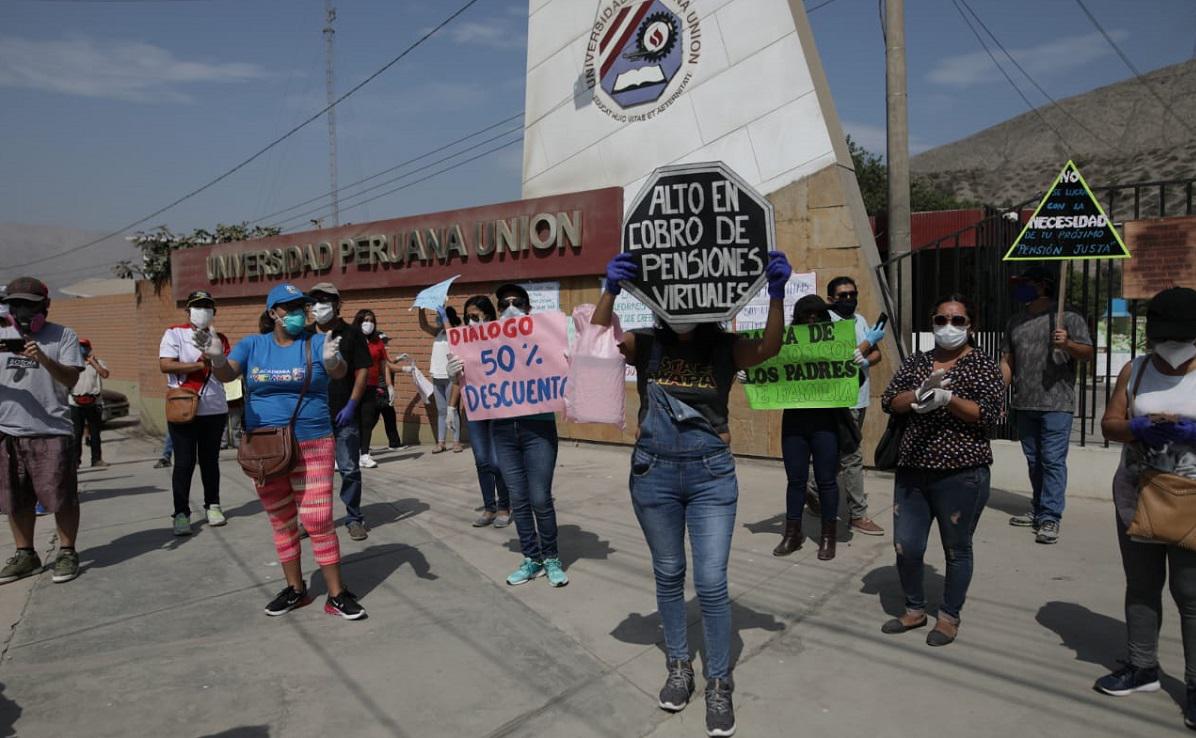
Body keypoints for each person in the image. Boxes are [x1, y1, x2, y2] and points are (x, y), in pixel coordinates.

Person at [593, 250, 792, 737]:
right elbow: (596, 340)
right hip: (653, 474)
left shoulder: (724, 347)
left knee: (710, 583)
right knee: (668, 574)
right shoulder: (644, 344)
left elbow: (769, 347)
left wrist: (776, 294)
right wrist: (610, 289)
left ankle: (719, 681)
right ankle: (679, 667)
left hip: (710, 477)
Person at [204, 282, 365, 620]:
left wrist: (333, 360)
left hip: (314, 440)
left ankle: (336, 594)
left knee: (318, 518)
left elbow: (339, 371)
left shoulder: (318, 342)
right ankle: (296, 590)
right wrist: (216, 358)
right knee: (281, 521)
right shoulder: (253, 345)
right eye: (289, 308)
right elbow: (226, 374)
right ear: (273, 312)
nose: (298, 314)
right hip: (265, 446)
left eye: (301, 308)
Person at [1096, 287, 1196, 729]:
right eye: (1165, 337)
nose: (1172, 347)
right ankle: (1143, 668)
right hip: (1136, 498)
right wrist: (1135, 428)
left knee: (1192, 596)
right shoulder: (1134, 370)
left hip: (1191, 502)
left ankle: (1195, 686)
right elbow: (1109, 424)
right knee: (1141, 586)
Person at [879, 294, 1004, 647]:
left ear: (971, 326)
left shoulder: (982, 365)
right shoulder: (917, 362)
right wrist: (917, 395)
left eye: (958, 321)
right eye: (941, 320)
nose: (948, 327)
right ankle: (914, 609)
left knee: (957, 548)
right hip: (912, 471)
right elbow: (891, 400)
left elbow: (988, 414)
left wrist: (949, 401)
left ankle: (949, 616)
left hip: (962, 473)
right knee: (907, 545)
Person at [1001, 265, 1094, 544]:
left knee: (1052, 460)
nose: (1019, 288)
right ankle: (1039, 508)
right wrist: (995, 390)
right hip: (1024, 402)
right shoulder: (1015, 321)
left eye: (1025, 282)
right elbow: (1008, 360)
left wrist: (1067, 344)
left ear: (1042, 285)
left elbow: (1087, 352)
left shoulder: (1070, 316)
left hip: (1057, 402)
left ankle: (1051, 516)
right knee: (1034, 461)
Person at [0, 277, 84, 585]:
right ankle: (26, 555)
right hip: (7, 430)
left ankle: (67, 551)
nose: (22, 311)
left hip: (51, 429)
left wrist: (43, 359)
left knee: (61, 497)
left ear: (45, 306)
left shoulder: (63, 335)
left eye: (29, 305)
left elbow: (72, 380)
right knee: (15, 500)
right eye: (16, 305)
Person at [486, 283, 569, 588]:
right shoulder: (485, 344)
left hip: (539, 428)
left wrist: (564, 356)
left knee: (540, 498)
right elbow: (476, 382)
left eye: (518, 302)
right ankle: (531, 558)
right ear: (497, 311)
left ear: (528, 308)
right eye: (505, 303)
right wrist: (461, 369)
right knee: (519, 500)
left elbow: (562, 370)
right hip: (504, 430)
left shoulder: (545, 338)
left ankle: (551, 558)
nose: (511, 307)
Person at [775, 295, 857, 560]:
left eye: (816, 314)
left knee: (826, 480)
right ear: (797, 318)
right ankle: (792, 533)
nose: (811, 318)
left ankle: (827, 536)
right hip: (795, 421)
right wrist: (750, 374)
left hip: (826, 422)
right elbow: (769, 366)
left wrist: (859, 357)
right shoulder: (786, 344)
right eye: (805, 315)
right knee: (795, 480)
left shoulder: (838, 341)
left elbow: (858, 371)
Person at [808, 276, 886, 536]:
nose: (849, 300)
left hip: (860, 397)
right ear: (831, 299)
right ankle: (858, 514)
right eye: (843, 296)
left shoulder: (860, 320)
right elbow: (835, 358)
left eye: (853, 294)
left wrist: (866, 358)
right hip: (838, 400)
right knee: (852, 456)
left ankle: (812, 489)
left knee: (838, 455)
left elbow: (876, 354)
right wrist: (862, 347)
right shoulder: (824, 322)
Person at [159, 290, 230, 535]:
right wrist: (201, 363)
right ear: (188, 311)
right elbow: (165, 364)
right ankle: (181, 513)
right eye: (197, 306)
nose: (202, 310)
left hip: (214, 409)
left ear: (214, 312)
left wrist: (216, 356)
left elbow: (225, 373)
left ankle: (213, 505)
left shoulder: (219, 337)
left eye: (207, 306)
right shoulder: (174, 333)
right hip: (184, 407)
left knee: (210, 461)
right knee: (184, 462)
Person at [310, 282, 373, 541]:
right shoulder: (304, 334)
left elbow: (362, 371)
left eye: (325, 300)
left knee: (348, 468)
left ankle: (354, 517)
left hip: (343, 413)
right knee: (314, 472)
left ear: (337, 304)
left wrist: (351, 405)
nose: (319, 306)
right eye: (315, 301)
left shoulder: (352, 333)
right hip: (312, 416)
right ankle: (313, 519)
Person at [449, 295, 511, 528]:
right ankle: (489, 507)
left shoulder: (502, 336)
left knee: (497, 461)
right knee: (482, 460)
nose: (470, 321)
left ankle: (505, 505)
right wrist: (451, 407)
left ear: (488, 314)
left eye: (475, 316)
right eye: (468, 317)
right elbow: (459, 379)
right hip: (475, 408)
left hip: (499, 407)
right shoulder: (462, 341)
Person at [419, 305, 463, 453]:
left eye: (440, 316)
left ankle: (456, 441)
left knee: (453, 410)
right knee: (441, 410)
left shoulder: (455, 332)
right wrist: (421, 309)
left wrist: (444, 315)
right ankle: (441, 442)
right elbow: (424, 325)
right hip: (437, 376)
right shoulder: (438, 332)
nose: (437, 319)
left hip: (451, 377)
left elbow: (451, 332)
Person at [353, 308, 391, 469]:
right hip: (353, 387)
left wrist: (389, 385)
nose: (368, 324)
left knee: (367, 421)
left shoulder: (378, 342)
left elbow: (384, 365)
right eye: (365, 320)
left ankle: (364, 454)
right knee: (352, 421)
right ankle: (349, 452)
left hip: (371, 386)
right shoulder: (352, 339)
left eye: (371, 321)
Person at [70, 338, 110, 468]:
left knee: (95, 433)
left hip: (94, 402)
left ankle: (97, 459)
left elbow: (105, 374)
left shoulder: (99, 362)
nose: (82, 349)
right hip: (75, 403)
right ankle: (75, 460)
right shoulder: (71, 364)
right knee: (76, 434)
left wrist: (94, 363)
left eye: (85, 346)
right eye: (80, 346)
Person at [376, 332, 405, 449]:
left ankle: (394, 443)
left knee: (389, 417)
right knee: (372, 419)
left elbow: (389, 362)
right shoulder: (377, 355)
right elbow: (389, 366)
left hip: (385, 391)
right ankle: (361, 444)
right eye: (384, 341)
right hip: (380, 391)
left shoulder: (383, 354)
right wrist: (405, 368)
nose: (387, 343)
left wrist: (398, 359)